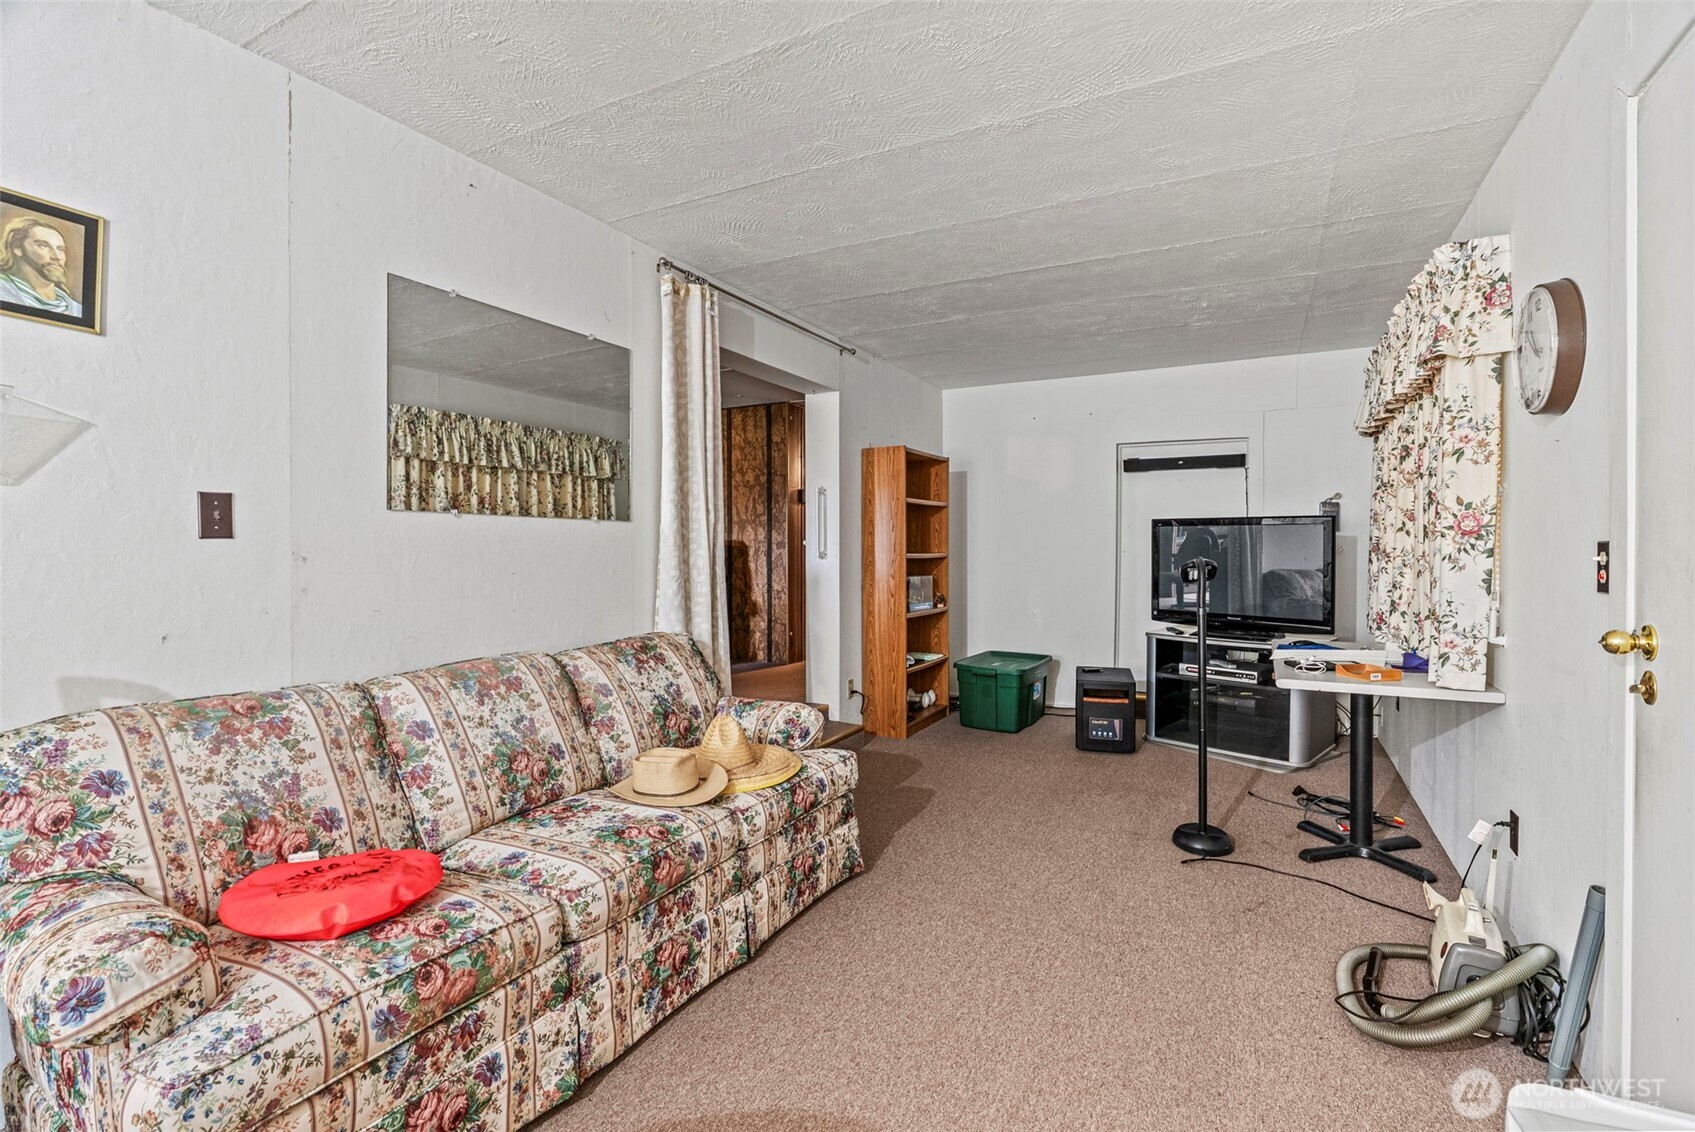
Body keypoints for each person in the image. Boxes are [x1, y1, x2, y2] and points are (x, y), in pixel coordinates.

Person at [0, 215, 82, 317]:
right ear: (17, 247)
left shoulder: (77, 310)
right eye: (43, 246)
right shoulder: (4, 292)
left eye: (60, 249)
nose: (57, 257)